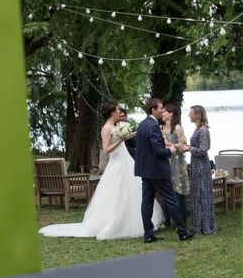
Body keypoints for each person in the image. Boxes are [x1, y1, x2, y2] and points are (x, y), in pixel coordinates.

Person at [39, 102, 164, 240]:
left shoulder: (117, 126)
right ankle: (116, 223)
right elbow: (106, 150)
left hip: (127, 161)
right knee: (117, 193)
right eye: (117, 110)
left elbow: (125, 137)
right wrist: (119, 141)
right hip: (116, 163)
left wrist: (137, 132)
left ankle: (139, 222)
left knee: (134, 191)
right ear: (111, 112)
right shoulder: (106, 128)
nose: (119, 113)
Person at [134, 97, 194, 243]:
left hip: (145, 170)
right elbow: (158, 151)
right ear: (153, 110)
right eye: (160, 108)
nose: (162, 110)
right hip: (157, 171)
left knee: (146, 201)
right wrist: (171, 149)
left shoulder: (142, 125)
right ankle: (182, 232)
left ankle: (148, 235)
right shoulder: (154, 126)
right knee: (171, 200)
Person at [177, 105, 216, 235]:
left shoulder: (203, 130)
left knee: (203, 194)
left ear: (198, 115)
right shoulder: (197, 129)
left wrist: (189, 149)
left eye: (191, 113)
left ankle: (206, 226)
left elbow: (203, 150)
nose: (189, 115)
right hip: (195, 164)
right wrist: (187, 147)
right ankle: (198, 226)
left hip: (202, 166)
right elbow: (197, 147)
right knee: (197, 195)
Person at [160, 104, 190, 228]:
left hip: (177, 162)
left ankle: (181, 221)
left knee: (178, 191)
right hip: (165, 161)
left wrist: (170, 144)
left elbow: (184, 145)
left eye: (165, 111)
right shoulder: (160, 128)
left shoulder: (177, 128)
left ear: (171, 113)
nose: (162, 113)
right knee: (166, 190)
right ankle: (167, 220)